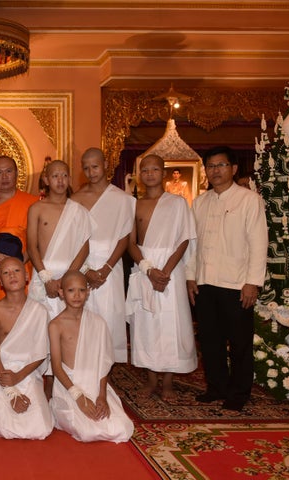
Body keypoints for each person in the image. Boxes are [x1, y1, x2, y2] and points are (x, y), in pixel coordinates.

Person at [187, 146, 268, 412]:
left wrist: (252, 282)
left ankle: (238, 393)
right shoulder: (200, 202)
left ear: (233, 168)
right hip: (206, 282)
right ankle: (216, 387)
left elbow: (258, 243)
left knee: (240, 342)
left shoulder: (248, 200)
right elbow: (192, 245)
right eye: (210, 166)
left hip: (236, 284)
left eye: (221, 165)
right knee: (210, 340)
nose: (215, 171)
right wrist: (190, 278)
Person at [126, 155, 197, 400]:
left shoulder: (177, 203)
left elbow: (184, 238)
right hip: (145, 268)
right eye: (144, 170)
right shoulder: (134, 205)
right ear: (139, 174)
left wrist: (165, 270)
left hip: (171, 272)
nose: (149, 174)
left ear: (163, 173)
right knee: (145, 325)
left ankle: (168, 382)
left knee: (171, 324)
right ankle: (151, 379)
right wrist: (148, 269)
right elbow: (131, 242)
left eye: (155, 169)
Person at [49, 271, 134, 443]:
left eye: (81, 290)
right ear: (61, 293)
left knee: (122, 428)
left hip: (95, 384)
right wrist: (79, 397)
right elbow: (56, 367)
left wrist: (102, 395)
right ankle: (57, 407)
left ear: (88, 292)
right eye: (71, 290)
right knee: (87, 432)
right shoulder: (55, 325)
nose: (77, 295)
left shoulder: (98, 322)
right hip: (70, 387)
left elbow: (103, 362)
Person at [72, 147, 136, 363]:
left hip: (111, 267)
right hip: (81, 266)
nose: (91, 172)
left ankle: (105, 380)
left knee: (109, 320)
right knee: (82, 321)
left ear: (106, 165)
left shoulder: (122, 199)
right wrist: (86, 270)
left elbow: (124, 237)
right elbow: (73, 238)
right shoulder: (76, 199)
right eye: (86, 168)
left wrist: (106, 268)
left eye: (95, 166)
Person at [0, 257, 53, 440]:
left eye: (16, 271)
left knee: (40, 428)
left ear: (26, 276)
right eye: (5, 273)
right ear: (0, 281)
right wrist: (10, 390)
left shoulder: (39, 311)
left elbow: (41, 352)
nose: (12, 276)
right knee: (6, 427)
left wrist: (19, 376)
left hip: (27, 372)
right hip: (1, 373)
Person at [27, 160, 92, 319]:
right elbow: (31, 246)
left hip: (71, 274)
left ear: (70, 179)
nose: (60, 180)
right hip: (44, 273)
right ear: (47, 180)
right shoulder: (36, 208)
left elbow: (85, 248)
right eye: (55, 176)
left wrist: (67, 278)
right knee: (41, 328)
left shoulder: (78, 210)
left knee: (70, 329)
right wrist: (46, 278)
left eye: (64, 176)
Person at [0, 156, 38, 314]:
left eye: (9, 171)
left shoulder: (32, 202)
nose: (4, 177)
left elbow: (36, 240)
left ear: (17, 173)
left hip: (22, 264)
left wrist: (19, 261)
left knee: (22, 313)